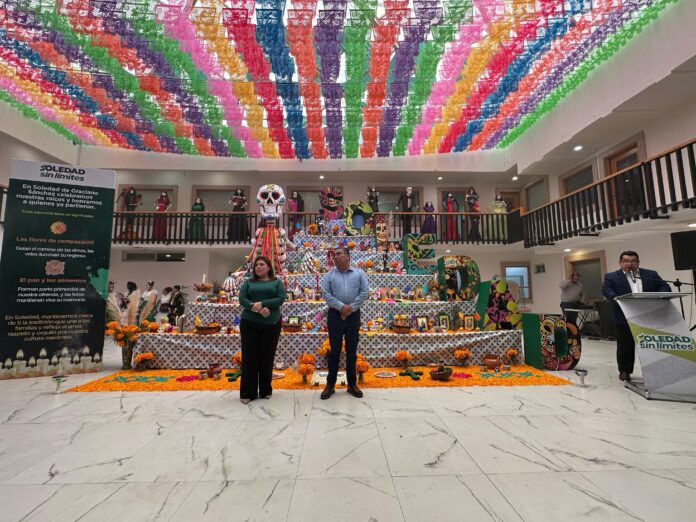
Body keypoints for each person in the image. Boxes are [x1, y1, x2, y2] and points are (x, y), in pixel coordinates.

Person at [601, 250, 671, 382]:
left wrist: (658, 297)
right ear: (620, 263)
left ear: (638, 262)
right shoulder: (611, 276)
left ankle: (656, 370)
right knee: (625, 346)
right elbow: (606, 290)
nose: (629, 264)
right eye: (626, 261)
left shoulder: (650, 274)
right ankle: (625, 371)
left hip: (648, 315)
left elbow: (665, 287)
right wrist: (615, 298)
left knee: (651, 344)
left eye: (633, 261)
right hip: (624, 316)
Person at [320, 247, 369, 400]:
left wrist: (350, 308)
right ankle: (330, 385)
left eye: (339, 254)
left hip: (353, 315)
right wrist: (341, 307)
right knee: (334, 351)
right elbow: (326, 294)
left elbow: (364, 293)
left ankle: (352, 384)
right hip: (335, 315)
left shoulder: (359, 273)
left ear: (347, 256)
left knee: (351, 350)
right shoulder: (329, 275)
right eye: (334, 255)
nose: (335, 257)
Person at [238, 256, 287, 404]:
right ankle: (248, 393)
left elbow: (280, 298)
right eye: (256, 265)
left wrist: (262, 303)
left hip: (271, 324)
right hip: (249, 323)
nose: (258, 267)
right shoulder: (248, 282)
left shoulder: (277, 282)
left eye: (261, 264)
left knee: (267, 357)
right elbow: (242, 299)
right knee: (249, 358)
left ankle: (266, 390)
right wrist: (255, 307)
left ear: (269, 267)